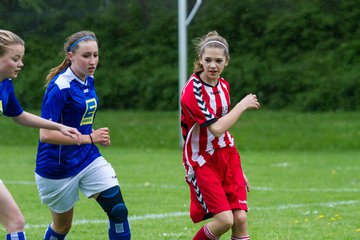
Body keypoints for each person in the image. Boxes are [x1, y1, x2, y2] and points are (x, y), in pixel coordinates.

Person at [35, 30, 131, 240]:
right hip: (57, 167)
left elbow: (79, 119)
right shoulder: (60, 87)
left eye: (95, 55)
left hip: (87, 158)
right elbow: (46, 134)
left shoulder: (88, 79)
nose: (92, 61)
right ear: (70, 56)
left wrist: (94, 137)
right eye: (86, 56)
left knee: (118, 211)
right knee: (62, 227)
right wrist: (89, 138)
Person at [0, 29, 81, 240]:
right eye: (15, 58)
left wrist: (57, 126)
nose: (21, 64)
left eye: (21, 58)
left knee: (15, 222)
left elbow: (18, 115)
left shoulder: (4, 86)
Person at [180, 31, 260, 240]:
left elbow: (223, 130)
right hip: (202, 160)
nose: (213, 65)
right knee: (225, 220)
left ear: (226, 62)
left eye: (218, 60)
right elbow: (215, 128)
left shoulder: (223, 85)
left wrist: (236, 171)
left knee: (240, 218)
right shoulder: (192, 91)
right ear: (199, 60)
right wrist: (241, 106)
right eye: (208, 60)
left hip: (226, 155)